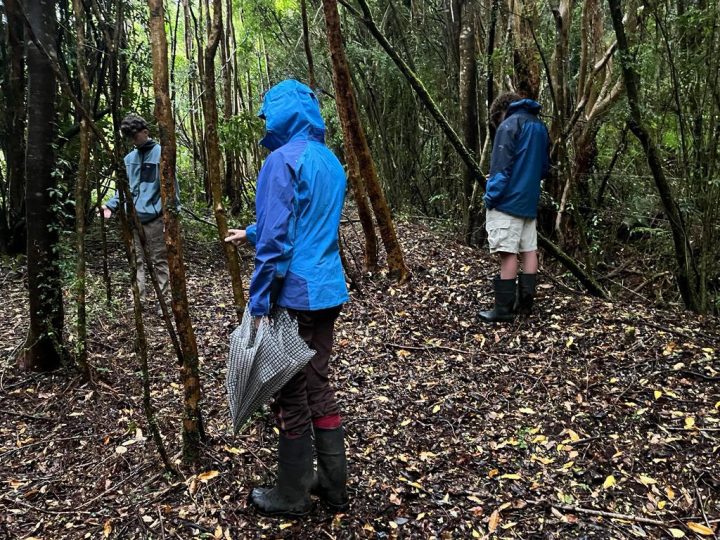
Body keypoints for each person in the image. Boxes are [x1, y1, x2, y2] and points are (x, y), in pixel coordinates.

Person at [225, 79, 349, 517]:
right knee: (317, 385)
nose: (264, 122)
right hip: (329, 289)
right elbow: (307, 220)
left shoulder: (281, 160)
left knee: (290, 393)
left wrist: (258, 307)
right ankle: (334, 486)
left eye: (267, 113)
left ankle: (292, 494)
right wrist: (252, 232)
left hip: (295, 294)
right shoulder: (330, 160)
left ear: (282, 114)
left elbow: (278, 242)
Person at [479, 93, 550, 322]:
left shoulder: (509, 125)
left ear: (501, 112)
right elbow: (541, 168)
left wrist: (490, 195)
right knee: (529, 249)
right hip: (528, 200)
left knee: (508, 253)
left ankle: (503, 310)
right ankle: (525, 306)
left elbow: (502, 166)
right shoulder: (539, 126)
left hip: (508, 201)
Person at [102, 114, 177, 309]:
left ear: (145, 132)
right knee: (136, 261)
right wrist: (110, 205)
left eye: (135, 136)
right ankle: (139, 302)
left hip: (155, 219)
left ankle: (166, 303)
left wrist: (171, 218)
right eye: (130, 138)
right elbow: (124, 188)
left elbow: (172, 189)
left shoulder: (163, 154)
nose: (133, 141)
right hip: (132, 219)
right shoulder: (129, 159)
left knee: (159, 261)